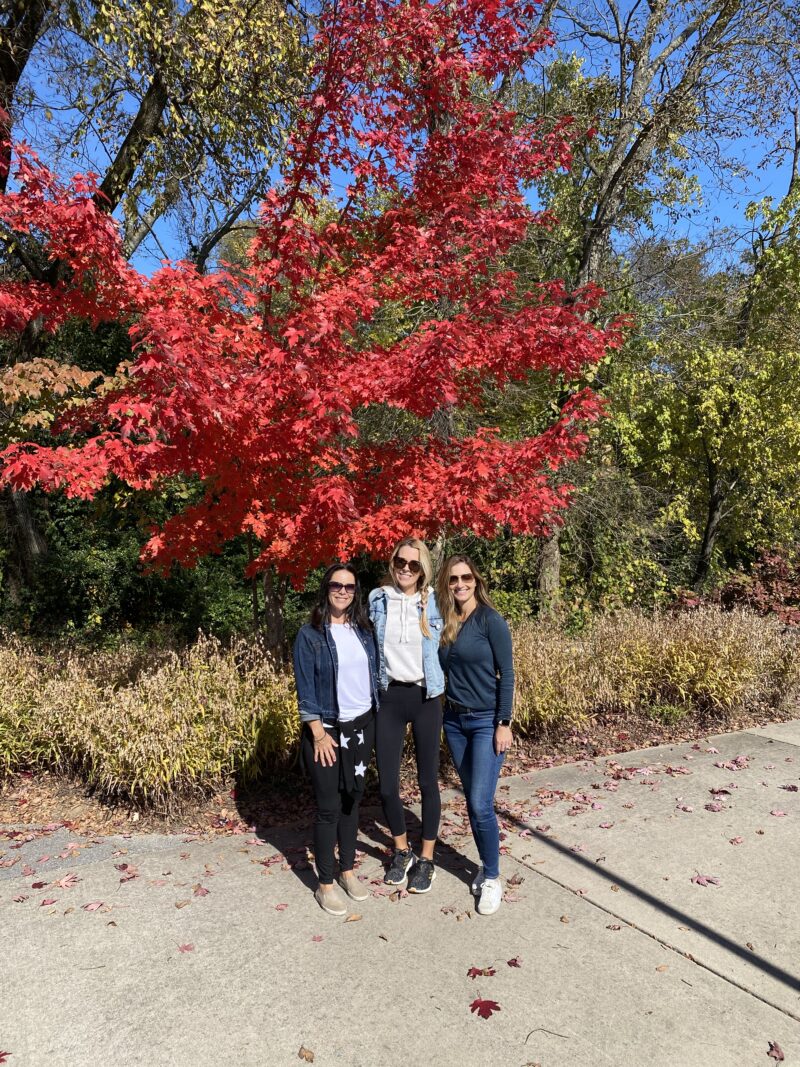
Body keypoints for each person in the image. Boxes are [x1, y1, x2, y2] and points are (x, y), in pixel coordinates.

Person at [293, 564, 380, 916]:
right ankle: (325, 884)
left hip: (362, 726)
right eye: (336, 585)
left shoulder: (364, 631)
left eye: (349, 586)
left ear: (356, 592)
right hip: (327, 731)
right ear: (325, 589)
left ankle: (347, 871)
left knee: (352, 801)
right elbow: (305, 688)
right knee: (329, 806)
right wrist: (317, 732)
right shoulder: (310, 635)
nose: (343, 591)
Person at [436, 554, 514, 915]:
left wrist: (504, 722)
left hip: (486, 723)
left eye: (466, 577)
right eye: (453, 579)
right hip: (454, 722)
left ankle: (494, 878)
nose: (460, 584)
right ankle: (485, 864)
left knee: (481, 803)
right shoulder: (447, 621)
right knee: (472, 800)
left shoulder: (490, 620)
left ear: (476, 580)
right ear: (447, 584)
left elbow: (507, 674)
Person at [369, 538, 445, 893]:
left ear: (423, 569)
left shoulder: (434, 603)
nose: (405, 569)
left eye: (413, 565)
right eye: (401, 561)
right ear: (392, 561)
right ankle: (403, 851)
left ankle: (427, 859)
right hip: (390, 696)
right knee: (386, 786)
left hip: (426, 696)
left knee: (428, 782)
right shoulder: (377, 599)